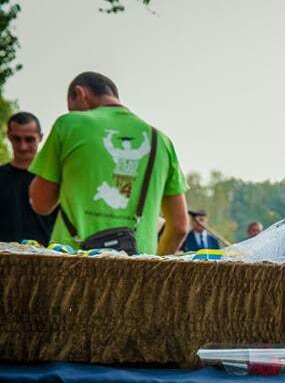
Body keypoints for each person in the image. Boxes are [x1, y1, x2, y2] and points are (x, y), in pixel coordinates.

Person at [28, 72, 188, 255]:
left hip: (70, 262)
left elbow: (41, 204)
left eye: (71, 107)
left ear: (79, 93)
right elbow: (179, 227)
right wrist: (154, 266)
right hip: (137, 269)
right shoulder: (161, 141)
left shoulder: (70, 124)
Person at [0, 112, 56, 245]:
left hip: (46, 258)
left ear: (40, 137)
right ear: (9, 137)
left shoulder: (52, 179)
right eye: (16, 139)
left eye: (29, 139)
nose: (23, 146)